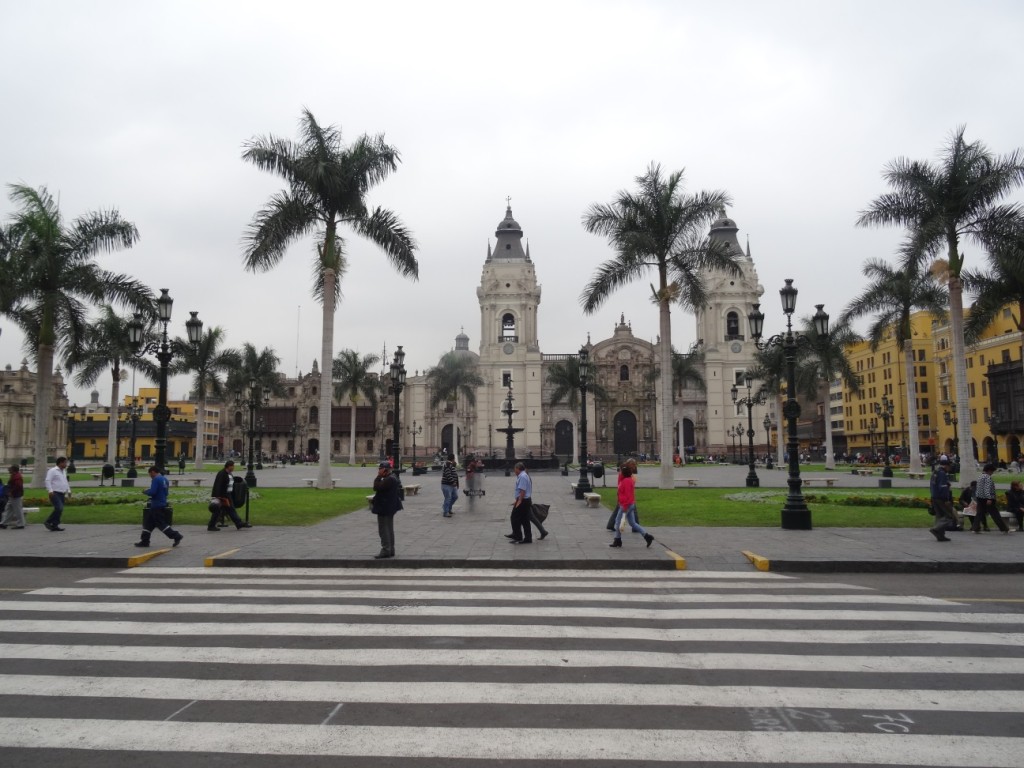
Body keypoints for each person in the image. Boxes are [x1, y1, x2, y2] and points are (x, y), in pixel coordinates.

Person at [136, 465, 183, 548]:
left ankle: (176, 535)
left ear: (153, 472)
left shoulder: (156, 479)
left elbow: (153, 492)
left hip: (156, 505)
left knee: (161, 524)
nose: (150, 476)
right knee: (148, 524)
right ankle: (145, 541)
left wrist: (146, 491)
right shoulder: (165, 479)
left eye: (150, 474)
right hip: (162, 503)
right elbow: (166, 493)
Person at [610, 463, 654, 548]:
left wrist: (625, 507)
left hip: (626, 505)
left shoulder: (626, 481)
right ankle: (647, 536)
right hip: (629, 504)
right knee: (633, 523)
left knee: (618, 521)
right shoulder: (627, 479)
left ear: (624, 472)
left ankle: (617, 540)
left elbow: (627, 495)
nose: (620, 472)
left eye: (621, 471)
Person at [207, 460, 252, 531]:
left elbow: (231, 484)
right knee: (218, 510)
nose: (234, 467)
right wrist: (219, 496)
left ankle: (238, 523)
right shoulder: (222, 473)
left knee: (230, 509)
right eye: (233, 466)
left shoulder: (230, 474)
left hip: (228, 494)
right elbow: (218, 485)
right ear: (229, 466)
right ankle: (211, 526)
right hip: (223, 495)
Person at [370, 460, 402, 558]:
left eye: (380, 469)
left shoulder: (389, 479)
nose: (379, 471)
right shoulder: (393, 478)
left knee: (384, 530)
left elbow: (376, 487)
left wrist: (379, 477)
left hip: (385, 507)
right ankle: (390, 549)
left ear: (385, 470)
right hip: (389, 507)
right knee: (389, 529)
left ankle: (386, 549)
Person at [973, 463, 1010, 534]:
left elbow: (978, 488)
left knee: (979, 513)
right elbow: (987, 489)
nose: (992, 473)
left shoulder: (980, 477)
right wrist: (989, 498)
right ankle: (1004, 528)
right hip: (987, 499)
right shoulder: (988, 478)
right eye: (992, 471)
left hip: (980, 497)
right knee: (995, 514)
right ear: (989, 470)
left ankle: (975, 528)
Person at [928, 457, 956, 542]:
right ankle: (936, 529)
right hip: (941, 498)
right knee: (949, 516)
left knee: (940, 517)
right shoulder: (942, 473)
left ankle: (940, 535)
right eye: (949, 466)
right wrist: (946, 499)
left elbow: (932, 485)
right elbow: (943, 487)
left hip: (934, 496)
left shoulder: (935, 472)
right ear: (946, 466)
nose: (950, 468)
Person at [44, 456, 71, 531]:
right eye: (65, 462)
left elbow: (65, 481)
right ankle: (48, 521)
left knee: (59, 509)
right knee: (59, 507)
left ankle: (55, 525)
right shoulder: (52, 470)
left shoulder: (64, 471)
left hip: (62, 493)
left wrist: (68, 491)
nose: (66, 464)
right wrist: (50, 491)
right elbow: (47, 480)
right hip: (54, 492)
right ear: (60, 463)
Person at [508, 462, 533, 544]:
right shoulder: (524, 475)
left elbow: (522, 490)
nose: (514, 471)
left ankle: (518, 536)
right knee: (525, 520)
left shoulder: (522, 476)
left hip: (523, 500)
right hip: (526, 500)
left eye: (515, 469)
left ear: (518, 468)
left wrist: (519, 501)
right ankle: (528, 538)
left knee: (514, 518)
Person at [0, 465, 25, 530]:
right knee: (8, 509)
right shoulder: (14, 475)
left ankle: (20, 524)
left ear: (13, 470)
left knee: (18, 510)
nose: (8, 470)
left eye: (10, 469)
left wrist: (11, 492)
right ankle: (4, 523)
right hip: (12, 496)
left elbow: (18, 486)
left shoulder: (17, 477)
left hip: (15, 496)